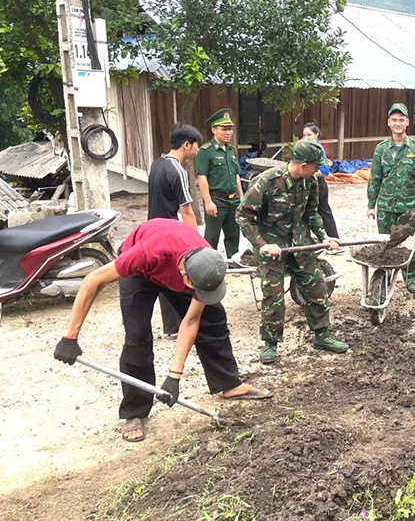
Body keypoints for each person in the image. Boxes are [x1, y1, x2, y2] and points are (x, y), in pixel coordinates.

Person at [52, 219, 270, 443]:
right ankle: (135, 411)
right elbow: (93, 280)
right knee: (137, 336)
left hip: (177, 266)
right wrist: (70, 337)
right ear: (184, 273)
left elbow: (191, 320)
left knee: (212, 319)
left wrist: (174, 376)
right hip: (141, 271)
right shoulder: (146, 253)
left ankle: (229, 384)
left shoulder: (206, 264)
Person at [236, 140, 349, 364]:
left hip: (300, 244)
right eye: (316, 166)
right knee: (273, 296)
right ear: (303, 165)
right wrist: (262, 244)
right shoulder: (267, 182)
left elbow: (312, 214)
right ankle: (270, 343)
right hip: (272, 248)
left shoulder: (310, 182)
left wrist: (324, 237)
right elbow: (243, 216)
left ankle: (322, 335)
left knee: (316, 286)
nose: (318, 170)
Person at [147, 122, 204, 339]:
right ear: (187, 145)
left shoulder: (157, 164)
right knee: (180, 278)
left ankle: (171, 327)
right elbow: (187, 212)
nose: (197, 150)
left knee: (163, 276)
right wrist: (195, 245)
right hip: (170, 231)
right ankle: (184, 325)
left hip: (152, 229)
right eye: (197, 145)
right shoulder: (178, 170)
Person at [366, 103, 415, 294]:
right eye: (394, 120)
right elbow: (375, 178)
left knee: (409, 244)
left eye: (401, 120)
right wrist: (371, 205)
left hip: (409, 207)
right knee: (385, 244)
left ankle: (411, 280)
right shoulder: (381, 149)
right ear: (389, 123)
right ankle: (383, 280)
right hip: (386, 206)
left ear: (407, 122)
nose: (398, 123)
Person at [197, 108, 244, 258]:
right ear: (214, 130)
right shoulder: (206, 151)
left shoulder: (232, 150)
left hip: (233, 200)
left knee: (233, 235)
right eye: (224, 129)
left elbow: (236, 175)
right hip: (216, 200)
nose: (228, 132)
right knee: (211, 237)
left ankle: (234, 263)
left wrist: (241, 196)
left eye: (230, 129)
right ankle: (209, 264)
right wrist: (208, 201)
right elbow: (202, 177)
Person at [302, 121, 342, 253]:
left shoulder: (319, 149)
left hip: (318, 183)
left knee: (323, 210)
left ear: (316, 135)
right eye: (304, 135)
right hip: (309, 182)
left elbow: (325, 172)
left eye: (309, 135)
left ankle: (334, 241)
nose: (306, 138)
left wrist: (309, 172)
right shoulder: (305, 148)